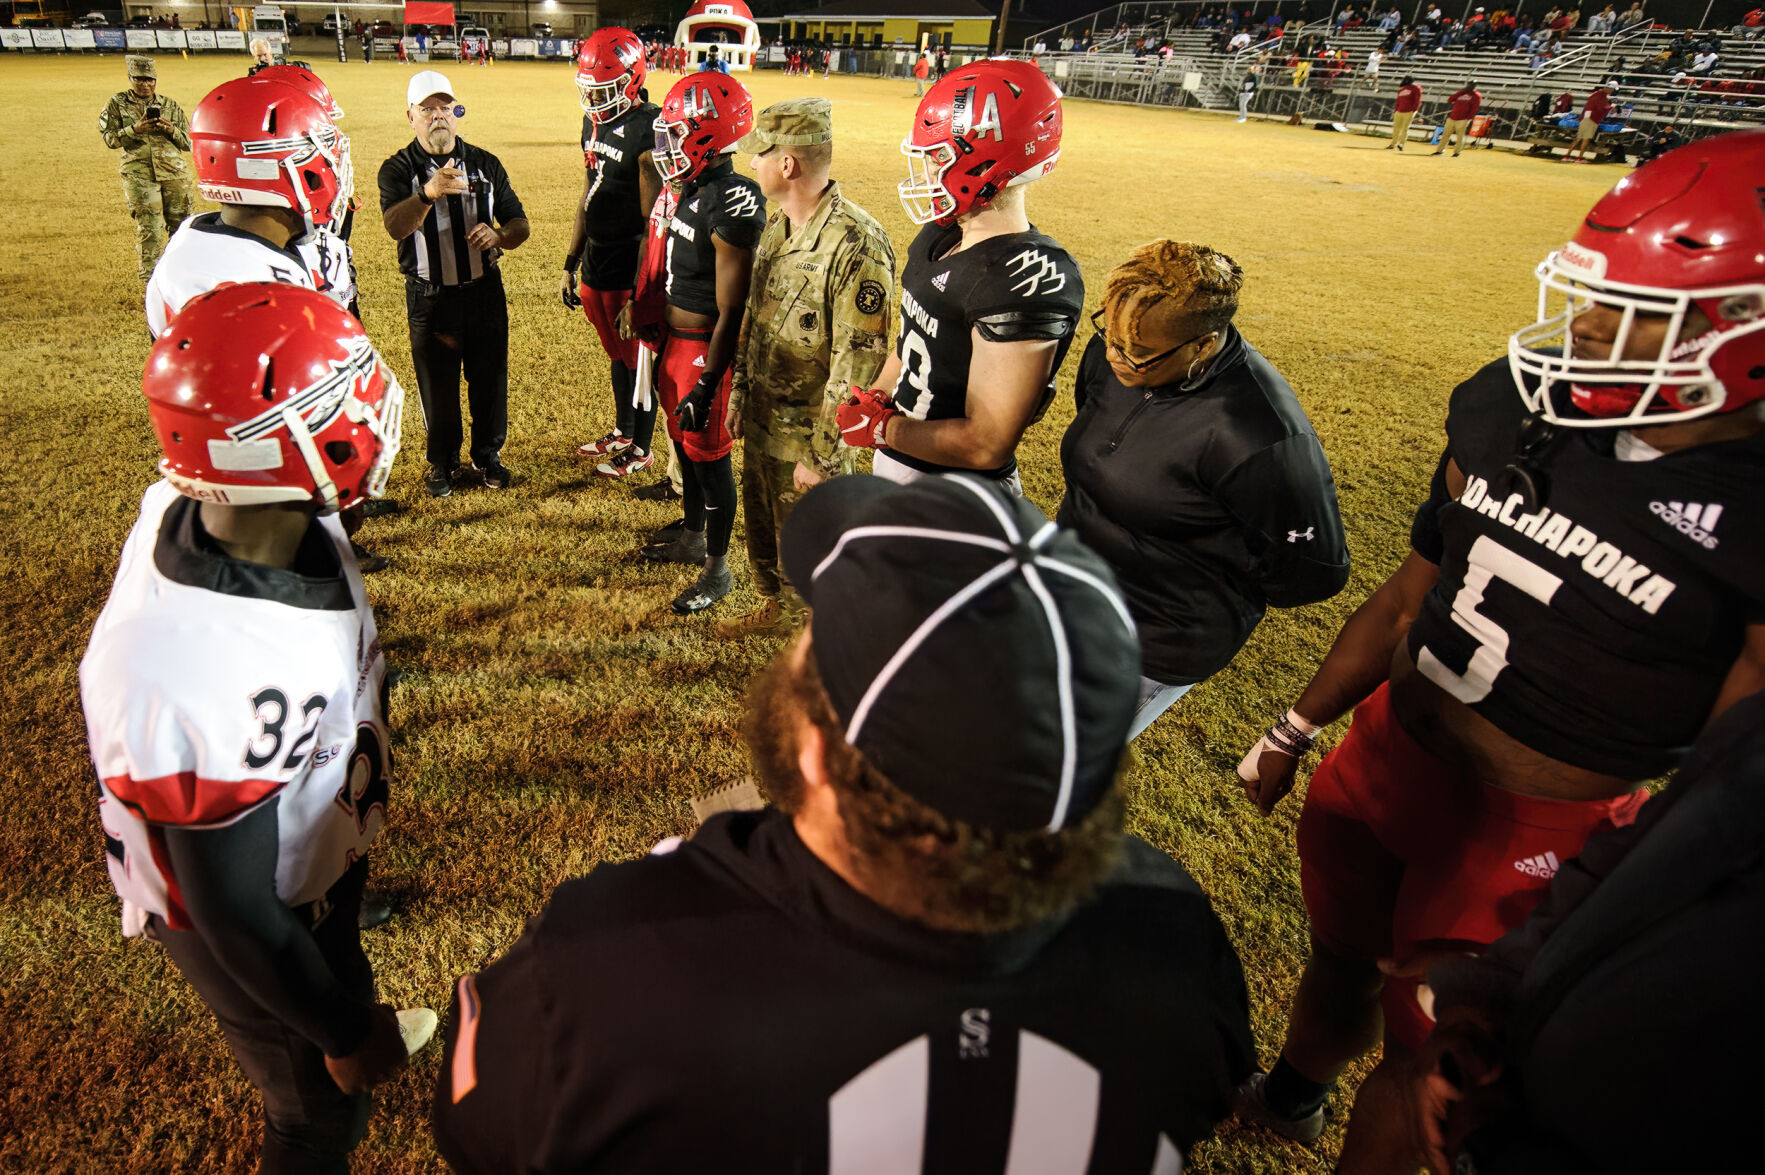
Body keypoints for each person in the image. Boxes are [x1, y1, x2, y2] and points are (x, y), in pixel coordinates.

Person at [431, 472, 1257, 1171]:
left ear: (819, 756)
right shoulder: (1179, 944)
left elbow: (476, 1128)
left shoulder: (606, 968)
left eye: (818, 639)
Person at [1232, 129, 1765, 1155]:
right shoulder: (1515, 405)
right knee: (1338, 958)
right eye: (1594, 294)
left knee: (1424, 1058)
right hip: (1387, 753)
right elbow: (1407, 593)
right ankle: (1291, 1094)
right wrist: (1299, 723)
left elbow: (1729, 791)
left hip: (1533, 837)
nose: (1591, 329)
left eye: (1637, 312)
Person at [82, 283, 432, 1175]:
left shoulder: (231, 508)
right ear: (261, 447)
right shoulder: (194, 669)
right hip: (239, 906)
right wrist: (347, 1031)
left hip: (297, 864)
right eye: (338, 398)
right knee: (318, 1112)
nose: (371, 409)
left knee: (331, 972)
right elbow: (231, 910)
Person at [1060, 241, 1349, 740]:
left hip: (1150, 638)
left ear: (1204, 344)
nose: (1116, 357)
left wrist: (1193, 571)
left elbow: (1313, 573)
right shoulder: (1122, 343)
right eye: (1108, 334)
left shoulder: (1258, 434)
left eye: (1141, 354)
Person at [836, 59, 1084, 498]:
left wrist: (884, 428)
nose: (928, 170)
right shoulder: (942, 235)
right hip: (903, 469)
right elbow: (916, 335)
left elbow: (985, 443)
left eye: (938, 156)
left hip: (957, 496)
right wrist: (877, 395)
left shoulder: (1024, 278)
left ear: (987, 161)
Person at [718, 98, 896, 640]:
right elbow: (754, 316)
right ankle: (774, 609)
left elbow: (857, 363)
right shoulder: (778, 225)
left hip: (808, 442)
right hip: (765, 422)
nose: (751, 163)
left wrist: (823, 456)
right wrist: (739, 396)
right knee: (765, 538)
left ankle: (815, 653)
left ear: (788, 164)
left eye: (759, 154)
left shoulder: (856, 243)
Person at [636, 73, 767, 616]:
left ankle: (718, 567)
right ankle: (692, 534)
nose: (665, 146)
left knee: (710, 462)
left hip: (703, 350)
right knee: (685, 454)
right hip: (673, 343)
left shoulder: (732, 199)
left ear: (706, 139)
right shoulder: (687, 188)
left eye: (675, 135)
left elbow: (732, 307)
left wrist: (711, 380)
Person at [380, 70, 530, 498]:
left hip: (484, 293)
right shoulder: (398, 169)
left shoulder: (485, 163)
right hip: (430, 296)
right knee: (437, 385)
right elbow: (395, 226)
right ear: (410, 116)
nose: (437, 116)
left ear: (456, 112)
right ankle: (442, 462)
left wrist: (500, 236)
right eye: (427, 109)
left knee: (490, 380)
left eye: (445, 107)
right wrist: (427, 194)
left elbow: (519, 222)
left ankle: (488, 455)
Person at [559, 29, 664, 483]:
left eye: (604, 91)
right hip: (595, 263)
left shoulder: (650, 127)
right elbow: (588, 191)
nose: (596, 102)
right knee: (617, 356)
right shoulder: (593, 122)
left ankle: (641, 448)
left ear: (632, 79)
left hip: (628, 263)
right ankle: (623, 431)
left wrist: (641, 294)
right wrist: (570, 260)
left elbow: (650, 223)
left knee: (638, 359)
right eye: (591, 92)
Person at [99, 55, 193, 282]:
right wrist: (135, 129)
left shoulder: (169, 105)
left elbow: (189, 142)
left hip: (174, 174)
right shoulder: (116, 103)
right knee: (150, 227)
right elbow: (110, 139)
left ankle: (181, 274)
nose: (145, 84)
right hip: (139, 175)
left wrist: (171, 130)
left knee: (181, 227)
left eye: (149, 79)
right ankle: (150, 281)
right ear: (130, 78)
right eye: (139, 79)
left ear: (156, 79)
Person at [1563, 82, 1611, 163]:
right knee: (1586, 139)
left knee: (1578, 138)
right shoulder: (1601, 97)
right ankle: (1579, 157)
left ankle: (1566, 156)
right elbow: (1602, 108)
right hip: (1591, 119)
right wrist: (1611, 107)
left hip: (1585, 118)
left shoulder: (1595, 95)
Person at [1435, 80, 1482, 156]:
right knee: (1445, 135)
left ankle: (1457, 152)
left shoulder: (1476, 95)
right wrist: (1460, 92)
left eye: (1472, 85)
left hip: (1463, 119)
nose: (1470, 86)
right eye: (1469, 84)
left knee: (1460, 136)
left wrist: (1469, 118)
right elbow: (1450, 100)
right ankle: (1440, 150)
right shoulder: (1461, 92)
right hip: (1452, 117)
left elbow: (1474, 108)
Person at [1388, 75, 1421, 149]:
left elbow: (1417, 100)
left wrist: (1414, 110)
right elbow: (1398, 101)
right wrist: (1396, 110)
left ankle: (1401, 144)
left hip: (1409, 111)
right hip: (1399, 111)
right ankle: (1393, 143)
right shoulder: (1402, 89)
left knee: (1405, 128)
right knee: (1396, 128)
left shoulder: (1416, 88)